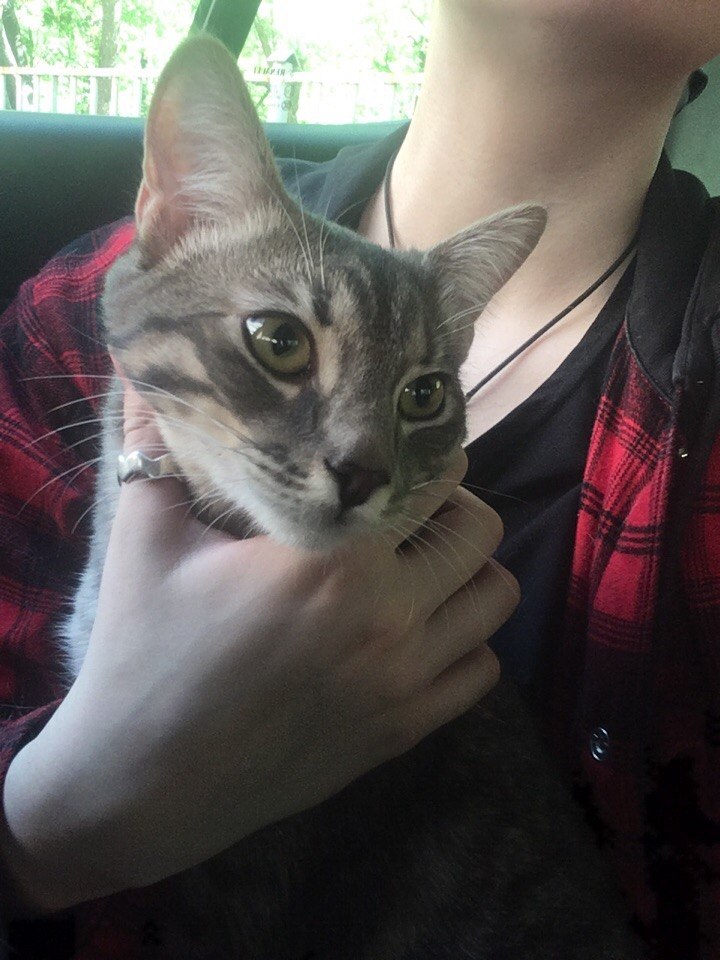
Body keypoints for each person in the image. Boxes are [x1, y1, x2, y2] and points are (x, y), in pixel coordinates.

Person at [1, 1, 720, 957]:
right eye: (279, 342)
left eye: (422, 393)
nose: (356, 458)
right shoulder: (60, 325)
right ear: (172, 228)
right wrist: (55, 826)